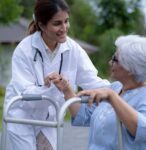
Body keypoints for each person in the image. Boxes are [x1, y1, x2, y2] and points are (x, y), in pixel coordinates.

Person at [4, 0, 109, 150]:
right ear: (41, 25)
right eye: (57, 23)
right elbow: (26, 94)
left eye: (66, 21)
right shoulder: (24, 50)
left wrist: (120, 90)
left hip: (50, 118)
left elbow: (92, 80)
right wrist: (50, 87)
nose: (64, 28)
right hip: (22, 117)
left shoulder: (73, 49)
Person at [52, 35, 146, 150]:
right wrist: (66, 90)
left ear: (130, 67)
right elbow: (84, 115)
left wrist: (112, 97)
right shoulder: (115, 88)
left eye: (115, 59)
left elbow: (144, 130)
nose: (110, 62)